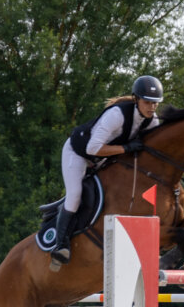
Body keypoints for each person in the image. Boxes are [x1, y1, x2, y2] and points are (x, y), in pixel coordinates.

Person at [51, 75, 163, 266]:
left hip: (103, 160)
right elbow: (92, 149)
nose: (151, 107)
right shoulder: (117, 115)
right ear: (136, 99)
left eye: (155, 103)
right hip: (78, 154)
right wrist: (125, 149)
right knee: (75, 194)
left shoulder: (152, 122)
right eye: (147, 102)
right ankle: (60, 245)